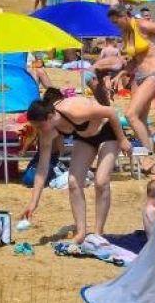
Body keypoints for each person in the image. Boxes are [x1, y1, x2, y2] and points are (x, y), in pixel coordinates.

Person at [23, 89, 128, 242]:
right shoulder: (47, 130)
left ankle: (98, 232)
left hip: (108, 132)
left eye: (39, 126)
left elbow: (111, 112)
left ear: (50, 116)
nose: (38, 130)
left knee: (101, 181)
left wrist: (123, 140)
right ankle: (81, 232)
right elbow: (42, 169)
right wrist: (33, 203)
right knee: (73, 182)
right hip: (84, 137)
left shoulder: (74, 110)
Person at [106, 4, 155, 174]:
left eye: (117, 21)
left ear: (125, 16)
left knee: (130, 115)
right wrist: (120, 75)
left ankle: (149, 155)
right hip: (137, 77)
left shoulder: (143, 25)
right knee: (140, 119)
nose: (116, 25)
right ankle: (153, 167)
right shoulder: (125, 33)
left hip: (152, 75)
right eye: (113, 23)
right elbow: (135, 60)